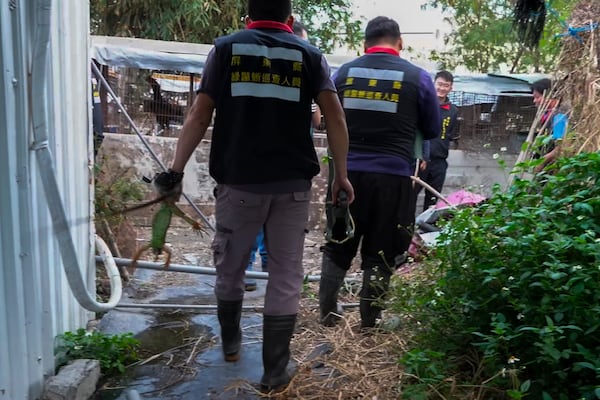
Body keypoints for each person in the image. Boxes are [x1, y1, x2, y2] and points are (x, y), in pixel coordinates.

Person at [153, 0, 354, 392]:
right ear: (290, 20)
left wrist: (174, 172)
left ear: (247, 18)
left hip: (239, 185)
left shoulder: (226, 48)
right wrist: (340, 177)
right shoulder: (310, 55)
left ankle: (230, 344)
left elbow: (198, 114)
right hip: (293, 187)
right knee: (285, 274)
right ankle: (275, 369)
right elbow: (335, 118)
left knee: (231, 265)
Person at [318, 16, 440, 330]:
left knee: (338, 241)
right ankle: (370, 322)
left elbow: (324, 117)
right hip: (394, 176)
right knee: (382, 248)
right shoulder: (419, 78)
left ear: (365, 44)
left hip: (345, 176)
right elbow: (432, 129)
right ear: (399, 43)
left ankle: (328, 314)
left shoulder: (344, 72)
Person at [243, 19, 322, 292]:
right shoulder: (263, 69)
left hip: (289, 163)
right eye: (302, 41)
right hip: (267, 160)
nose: (304, 47)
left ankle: (267, 269)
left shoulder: (306, 73)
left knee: (271, 224)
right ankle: (250, 271)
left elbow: (319, 121)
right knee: (256, 219)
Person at [415, 70, 459, 212]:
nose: (442, 88)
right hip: (421, 160)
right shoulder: (423, 105)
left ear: (451, 88)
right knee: (411, 195)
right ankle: (406, 229)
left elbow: (449, 134)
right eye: (439, 84)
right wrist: (420, 155)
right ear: (433, 84)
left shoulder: (453, 110)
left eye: (446, 85)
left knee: (433, 200)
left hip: (440, 161)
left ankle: (426, 231)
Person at [530, 78, 568, 171]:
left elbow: (561, 145)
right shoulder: (548, 114)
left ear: (550, 95)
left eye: (537, 97)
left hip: (554, 165)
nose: (534, 101)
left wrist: (543, 161)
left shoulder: (559, 115)